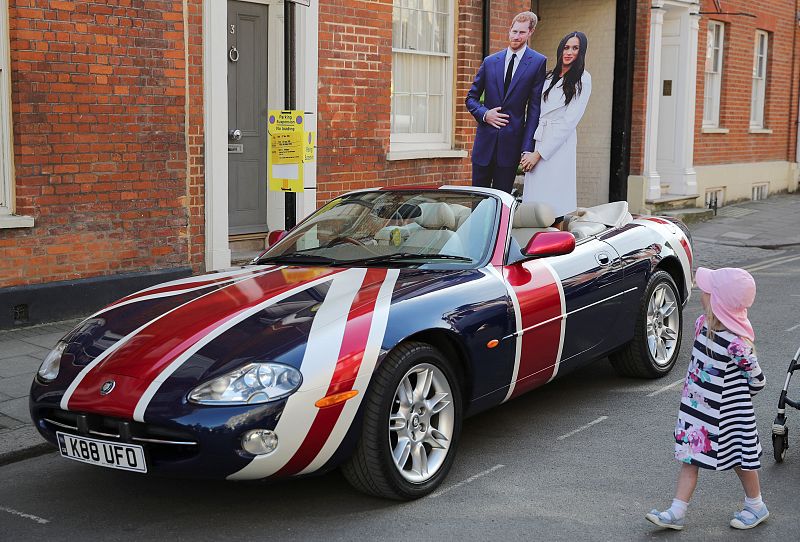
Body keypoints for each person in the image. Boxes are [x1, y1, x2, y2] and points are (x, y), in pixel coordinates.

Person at [646, 267, 768, 531]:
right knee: (690, 459)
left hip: (731, 416)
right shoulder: (702, 325)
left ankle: (756, 505)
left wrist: (736, 398)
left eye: (707, 292)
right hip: (698, 414)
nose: (702, 293)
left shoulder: (737, 344)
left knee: (740, 461)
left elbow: (758, 380)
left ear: (720, 303)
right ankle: (676, 512)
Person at [465, 11, 547, 194]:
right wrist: (485, 114)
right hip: (484, 145)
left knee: (502, 200)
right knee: (478, 200)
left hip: (511, 145)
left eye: (521, 33)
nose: (516, 36)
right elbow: (470, 98)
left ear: (530, 33)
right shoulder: (490, 61)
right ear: (509, 30)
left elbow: (534, 109)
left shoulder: (538, 62)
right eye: (514, 31)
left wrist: (527, 148)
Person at [520, 31, 591, 228]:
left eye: (575, 48)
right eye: (566, 47)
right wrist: (528, 150)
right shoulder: (549, 76)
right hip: (539, 138)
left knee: (555, 202)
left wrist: (539, 154)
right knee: (535, 203)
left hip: (559, 145)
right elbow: (533, 112)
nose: (569, 52)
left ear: (581, 52)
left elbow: (569, 121)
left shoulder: (583, 79)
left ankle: (555, 245)